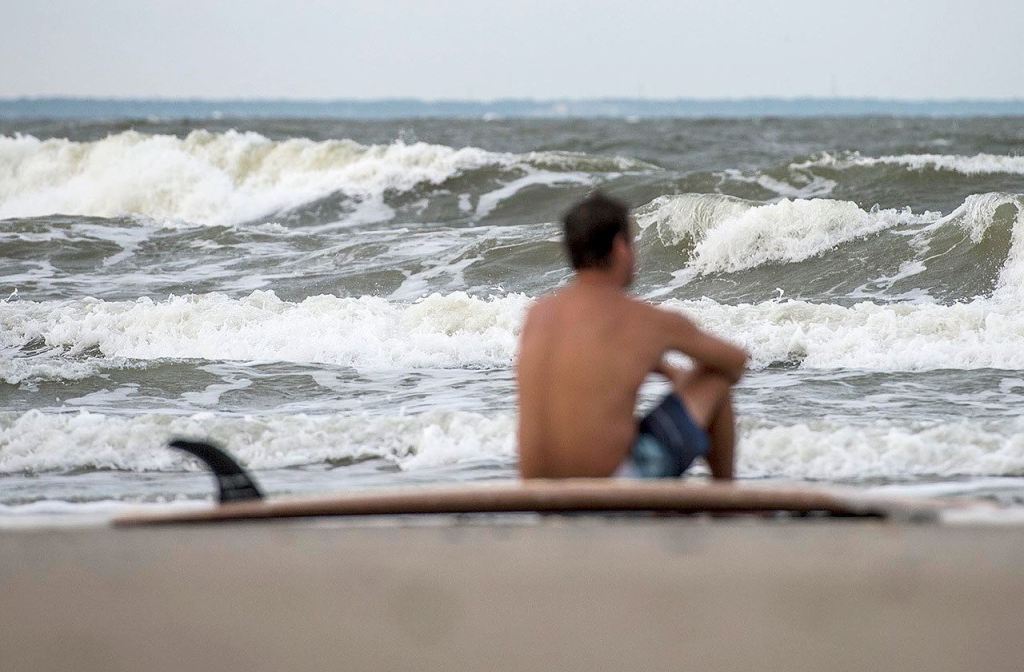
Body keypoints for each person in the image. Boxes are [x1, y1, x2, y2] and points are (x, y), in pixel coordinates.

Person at [516, 192, 748, 480]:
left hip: (538, 495)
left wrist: (659, 365)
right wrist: (679, 372)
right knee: (714, 381)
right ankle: (726, 502)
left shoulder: (538, 314)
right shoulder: (645, 319)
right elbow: (735, 363)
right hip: (608, 495)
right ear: (620, 247)